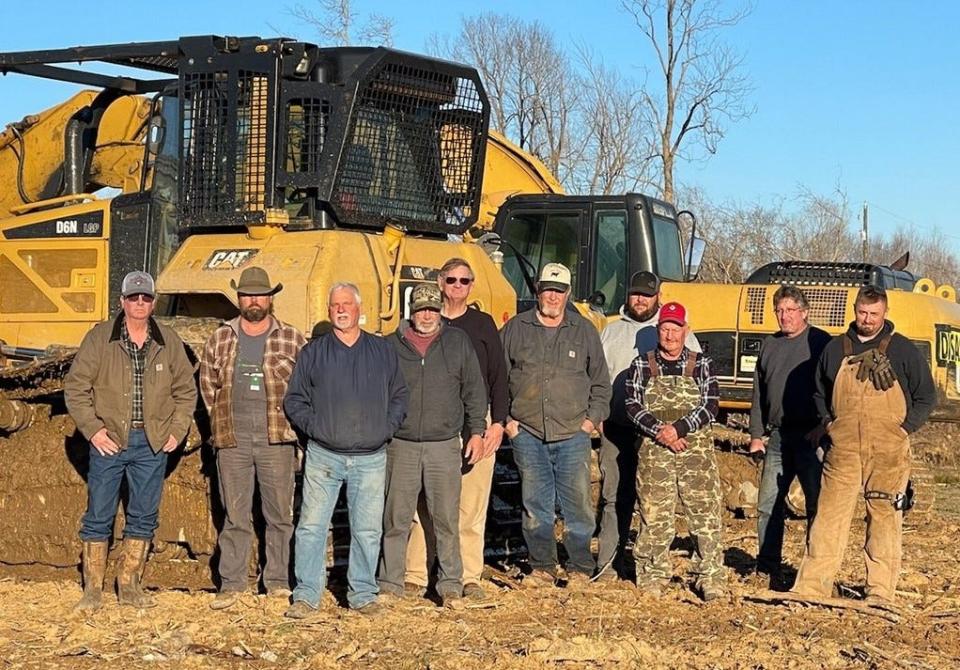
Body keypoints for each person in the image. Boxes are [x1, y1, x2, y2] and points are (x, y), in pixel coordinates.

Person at [792, 285, 935, 604]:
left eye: (874, 314)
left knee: (884, 518)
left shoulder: (903, 350)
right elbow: (819, 392)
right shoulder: (835, 349)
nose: (867, 319)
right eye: (862, 313)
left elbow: (927, 397)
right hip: (843, 449)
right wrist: (829, 423)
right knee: (828, 517)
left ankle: (879, 591)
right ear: (854, 310)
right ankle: (811, 587)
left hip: (887, 451)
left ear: (884, 313)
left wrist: (903, 430)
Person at [64, 270, 197, 611]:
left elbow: (186, 391)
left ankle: (129, 585)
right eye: (133, 297)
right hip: (111, 442)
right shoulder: (99, 339)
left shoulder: (168, 341)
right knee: (99, 514)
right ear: (122, 301)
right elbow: (76, 388)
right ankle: (93, 590)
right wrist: (93, 430)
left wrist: (176, 430)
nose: (140, 303)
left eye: (146, 298)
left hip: (151, 443)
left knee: (142, 515)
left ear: (153, 303)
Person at [283, 283, 408, 618]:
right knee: (311, 526)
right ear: (329, 311)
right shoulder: (314, 353)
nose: (341, 309)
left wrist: (386, 428)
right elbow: (294, 399)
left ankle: (363, 594)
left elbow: (399, 395)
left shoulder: (381, 351)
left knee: (367, 529)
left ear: (358, 308)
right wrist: (316, 428)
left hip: (370, 457)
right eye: (335, 305)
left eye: (346, 304)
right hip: (324, 455)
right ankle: (307, 594)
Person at [199, 267, 306, 610]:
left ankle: (276, 581)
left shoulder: (292, 337)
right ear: (239, 298)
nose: (254, 300)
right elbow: (208, 387)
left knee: (278, 515)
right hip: (233, 437)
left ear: (271, 298)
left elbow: (306, 386)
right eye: (247, 295)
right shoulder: (220, 337)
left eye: (260, 294)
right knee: (235, 514)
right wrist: (222, 421)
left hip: (277, 436)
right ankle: (232, 583)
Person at [404, 258, 509, 600]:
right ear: (439, 281)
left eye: (464, 281)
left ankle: (468, 576)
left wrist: (496, 424)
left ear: (471, 285)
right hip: (434, 426)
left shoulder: (481, 325)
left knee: (470, 505)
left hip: (476, 423)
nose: (457, 287)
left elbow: (498, 377)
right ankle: (417, 574)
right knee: (425, 507)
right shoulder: (421, 324)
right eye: (451, 280)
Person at [501, 263, 610, 586]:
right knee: (536, 505)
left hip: (572, 433)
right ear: (538, 290)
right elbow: (495, 378)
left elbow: (601, 384)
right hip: (528, 432)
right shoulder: (515, 329)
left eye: (558, 290)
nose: (552, 295)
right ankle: (543, 567)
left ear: (568, 294)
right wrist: (509, 422)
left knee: (578, 505)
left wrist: (589, 423)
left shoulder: (584, 330)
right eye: (547, 288)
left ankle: (579, 566)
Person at [380, 283, 487, 609]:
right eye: (420, 309)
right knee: (396, 518)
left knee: (445, 519)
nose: (426, 315)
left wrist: (477, 430)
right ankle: (389, 583)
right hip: (402, 444)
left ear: (440, 311)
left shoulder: (457, 342)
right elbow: (376, 392)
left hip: (444, 445)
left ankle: (450, 584)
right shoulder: (389, 346)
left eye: (432, 309)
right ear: (411, 312)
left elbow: (474, 390)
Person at [596, 270, 700, 580]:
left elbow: (699, 384)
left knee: (659, 501)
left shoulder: (678, 332)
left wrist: (681, 429)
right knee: (614, 496)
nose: (640, 299)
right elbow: (597, 379)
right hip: (617, 429)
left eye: (647, 294)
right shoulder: (610, 331)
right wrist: (598, 415)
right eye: (635, 293)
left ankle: (654, 565)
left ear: (658, 297)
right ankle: (608, 565)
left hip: (662, 437)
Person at [625, 301, 723, 601]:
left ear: (685, 331)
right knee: (654, 516)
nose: (669, 335)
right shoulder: (642, 365)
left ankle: (709, 576)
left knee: (705, 516)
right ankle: (652, 574)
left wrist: (678, 429)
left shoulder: (702, 364)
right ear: (658, 330)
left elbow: (711, 405)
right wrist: (661, 432)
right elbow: (631, 405)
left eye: (675, 329)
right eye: (665, 329)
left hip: (696, 455)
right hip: (656, 455)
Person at [748, 285, 831, 582]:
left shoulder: (821, 343)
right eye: (779, 311)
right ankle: (768, 566)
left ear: (804, 312)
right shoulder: (769, 345)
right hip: (779, 436)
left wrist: (825, 425)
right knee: (768, 504)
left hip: (812, 437)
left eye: (790, 311)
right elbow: (758, 392)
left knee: (816, 506)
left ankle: (814, 571)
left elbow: (835, 389)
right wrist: (756, 433)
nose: (784, 317)